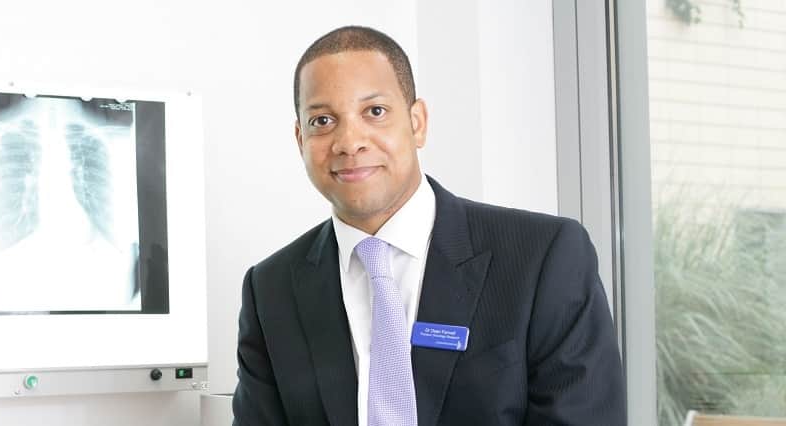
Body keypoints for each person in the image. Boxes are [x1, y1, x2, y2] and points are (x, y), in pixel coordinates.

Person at [232, 26, 626, 426]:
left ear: (417, 122)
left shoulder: (543, 258)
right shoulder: (270, 291)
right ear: (300, 139)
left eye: (375, 112)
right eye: (322, 120)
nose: (349, 142)